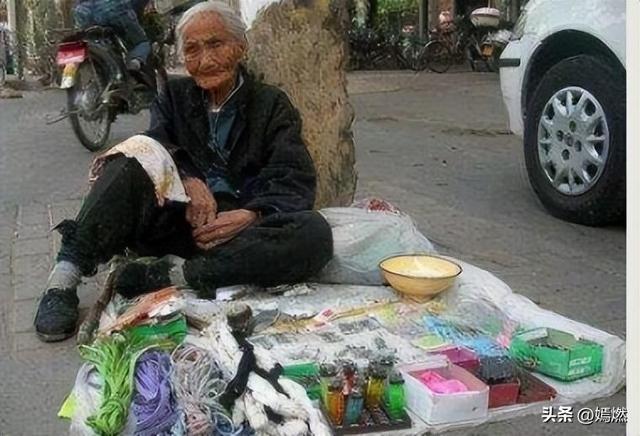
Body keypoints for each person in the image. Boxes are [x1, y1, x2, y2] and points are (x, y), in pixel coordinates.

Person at [34, 0, 334, 342]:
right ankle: (64, 278)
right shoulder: (173, 97)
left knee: (314, 233)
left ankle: (175, 274)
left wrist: (252, 213)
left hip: (239, 237)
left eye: (216, 45)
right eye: (192, 49)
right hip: (177, 223)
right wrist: (189, 179)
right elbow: (158, 144)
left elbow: (293, 174)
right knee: (131, 156)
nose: (205, 60)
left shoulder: (270, 104)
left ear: (240, 47)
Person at [72, 0, 152, 71]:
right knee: (141, 43)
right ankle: (133, 61)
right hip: (113, 8)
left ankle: (104, 70)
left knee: (98, 43)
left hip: (83, 12)